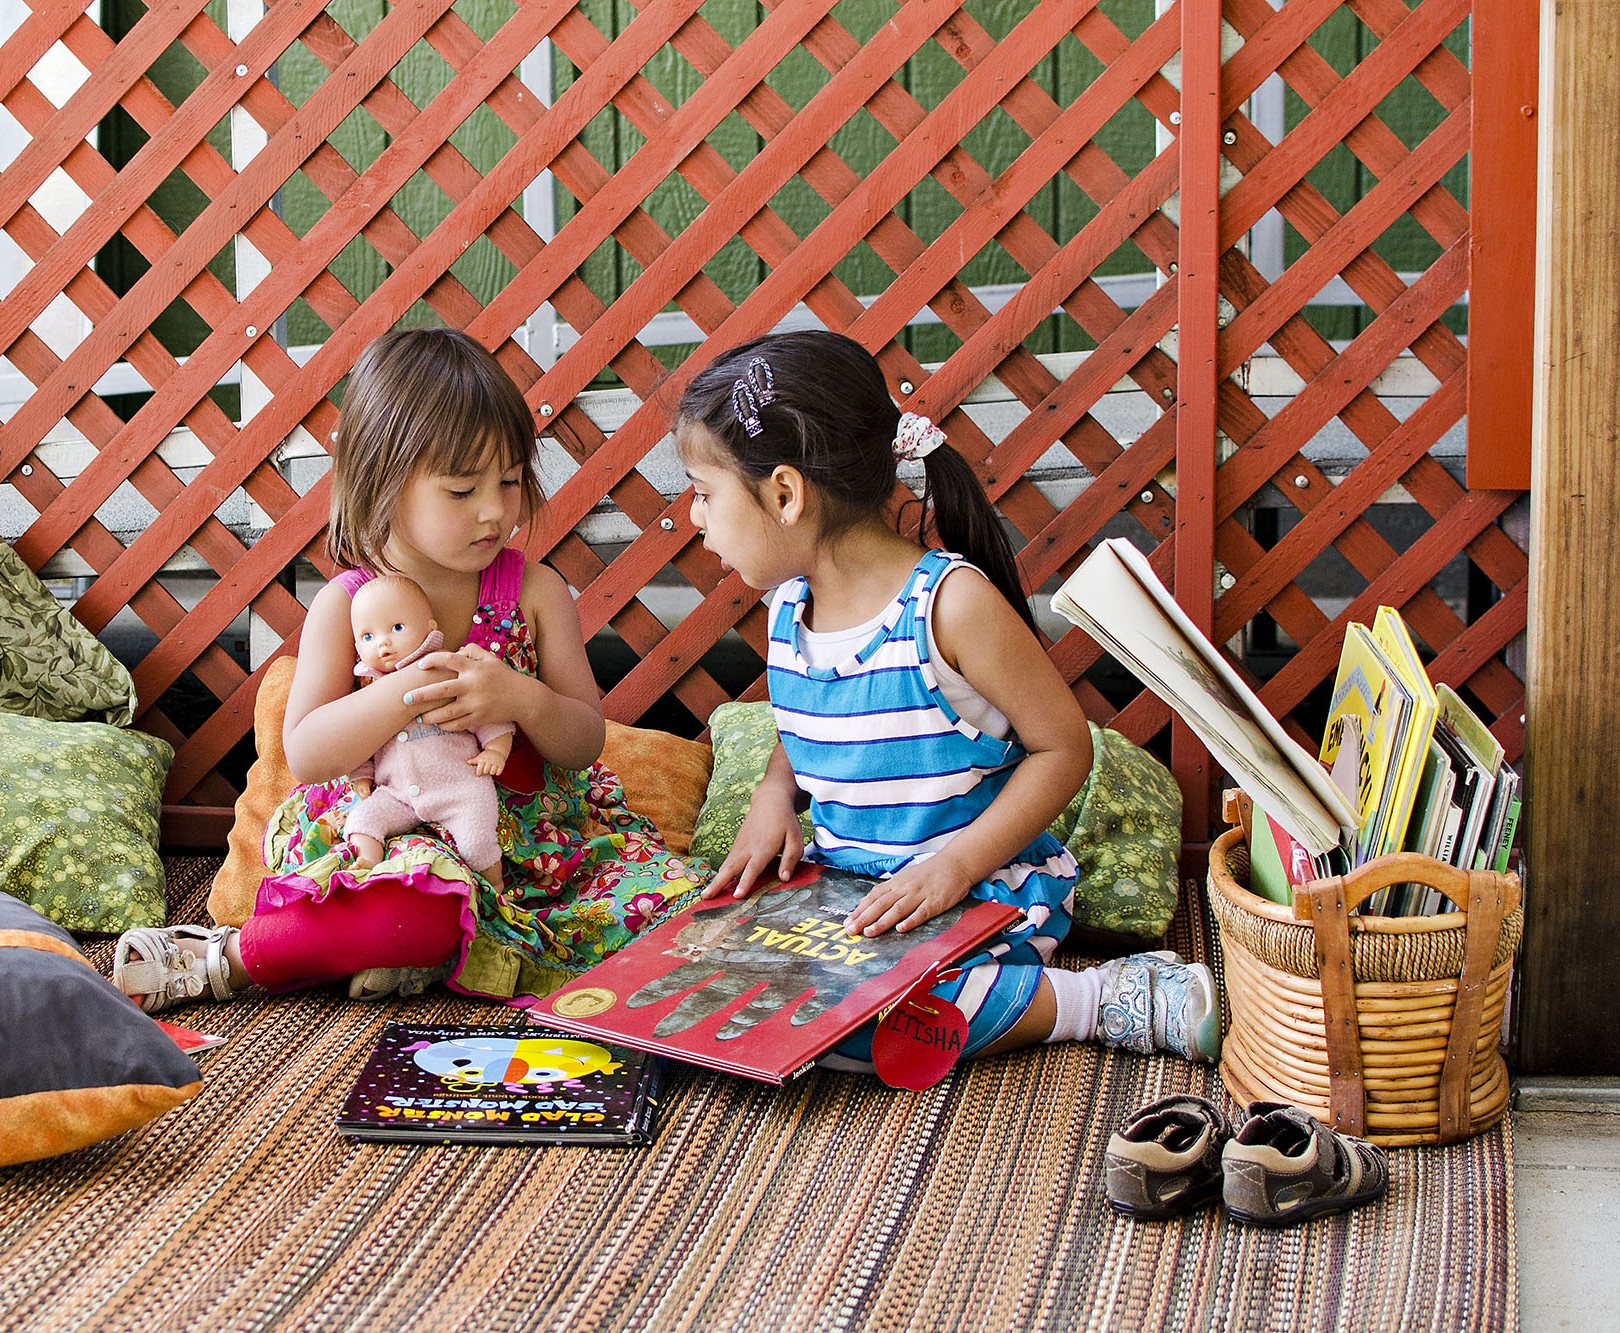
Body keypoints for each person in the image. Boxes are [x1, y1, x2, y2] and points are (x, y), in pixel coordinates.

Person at [675, 330, 1218, 1077]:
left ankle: (1096, 997)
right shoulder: (786, 609)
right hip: (850, 899)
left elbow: (1065, 747)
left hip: (976, 895)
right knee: (707, 967)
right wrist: (775, 793)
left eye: (705, 494)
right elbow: (808, 723)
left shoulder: (948, 606)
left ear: (784, 493)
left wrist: (955, 867)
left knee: (874, 1018)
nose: (694, 518)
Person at [113, 327, 703, 1011]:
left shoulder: (532, 591)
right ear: (384, 487)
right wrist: (401, 691)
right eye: (462, 490)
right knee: (416, 905)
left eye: (509, 481)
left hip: (531, 856)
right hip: (385, 839)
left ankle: (420, 956)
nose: (495, 509)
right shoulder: (348, 604)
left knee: (682, 909)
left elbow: (583, 740)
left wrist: (519, 697)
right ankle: (228, 959)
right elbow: (306, 752)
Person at [341, 572, 513, 889]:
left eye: (396, 628)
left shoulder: (445, 673)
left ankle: (496, 888)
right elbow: (360, 741)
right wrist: (362, 775)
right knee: (362, 820)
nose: (383, 643)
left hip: (461, 788)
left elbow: (488, 715)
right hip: (398, 794)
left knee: (476, 844)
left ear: (430, 628)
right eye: (368, 637)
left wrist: (496, 749)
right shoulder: (367, 694)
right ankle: (367, 862)